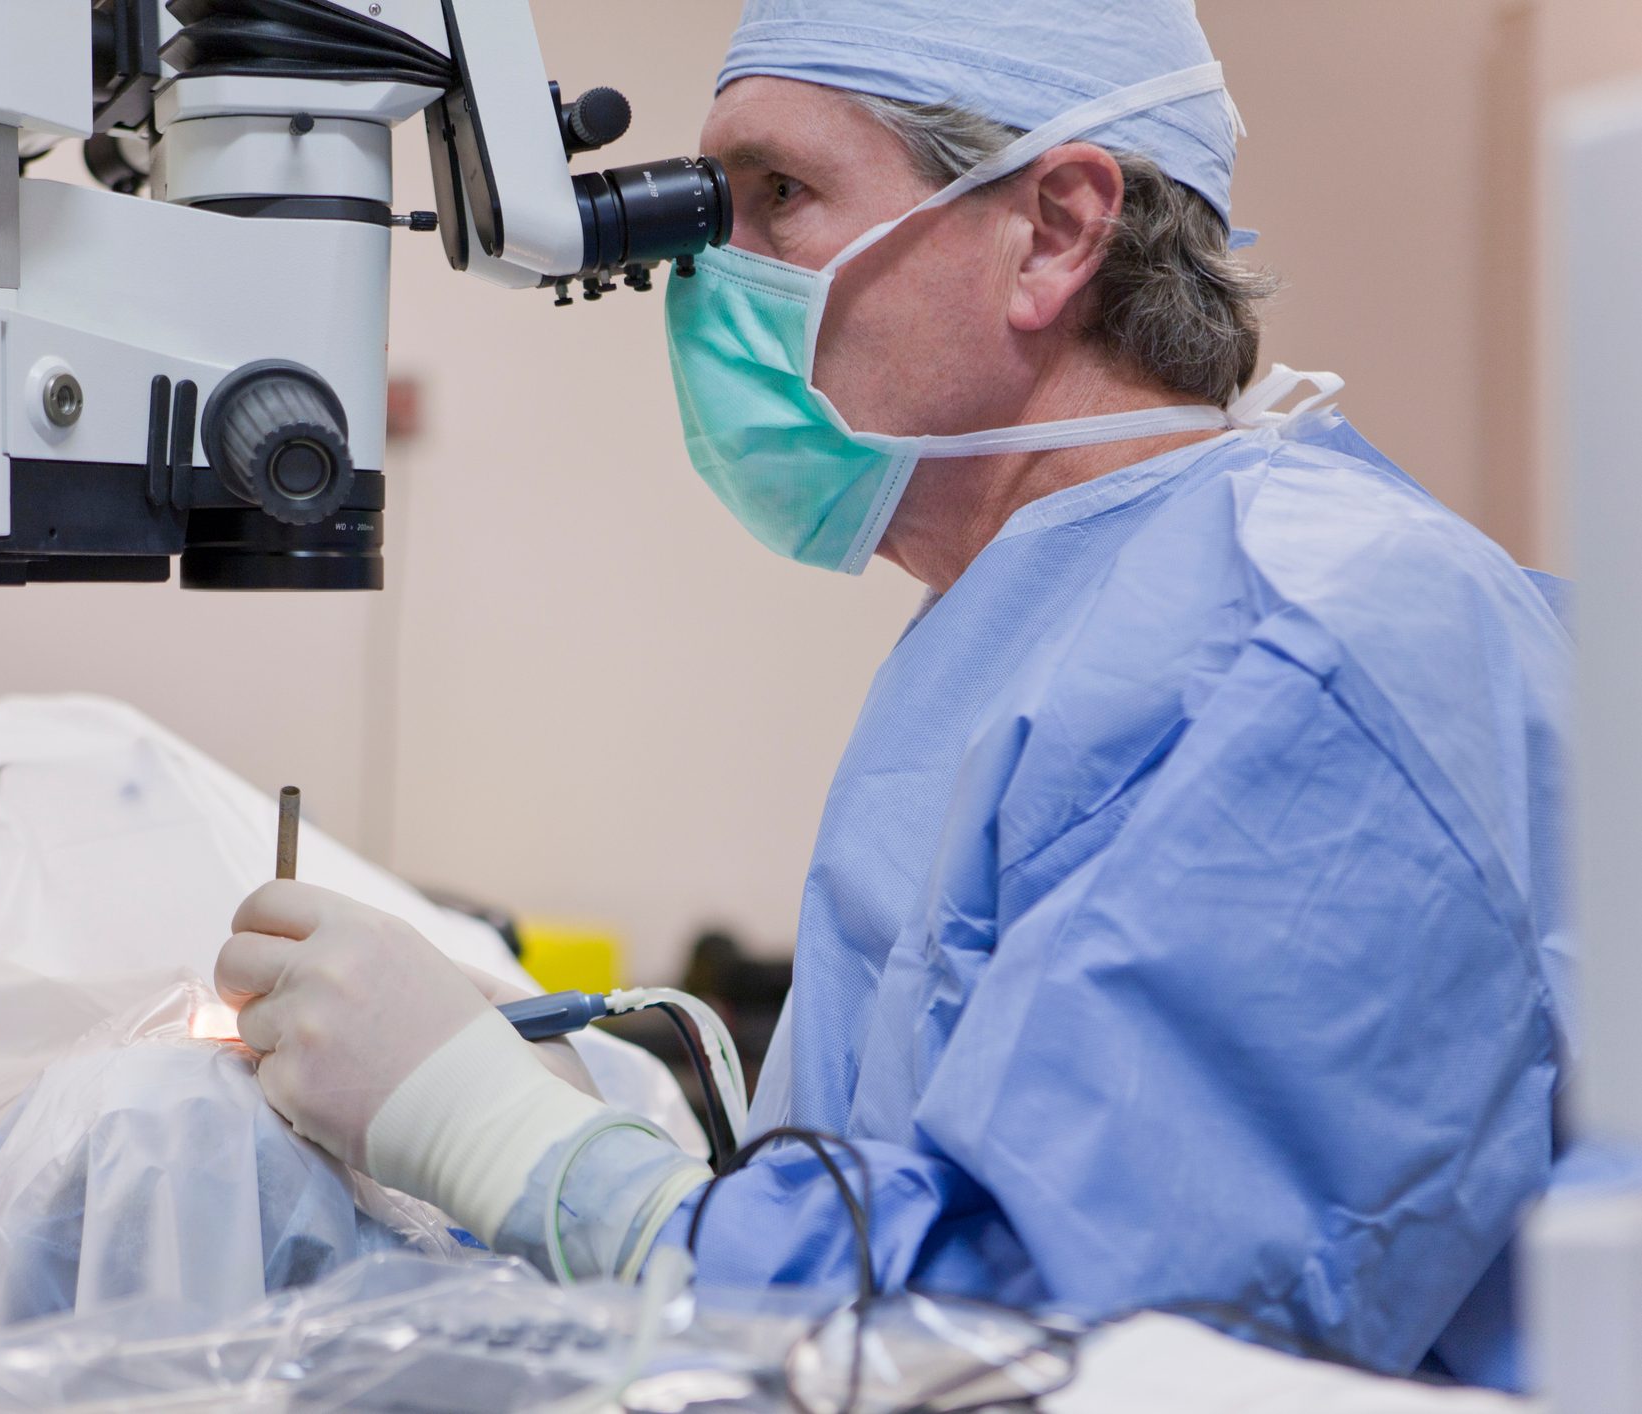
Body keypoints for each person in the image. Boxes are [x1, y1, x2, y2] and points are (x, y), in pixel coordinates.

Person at [214, 0, 1572, 1388]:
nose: (701, 272)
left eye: (777, 195)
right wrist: (625, 1149)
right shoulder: (1039, 624)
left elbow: (1066, 1354)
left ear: (1051, 230)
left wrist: (516, 1145)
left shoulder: (1316, 640)